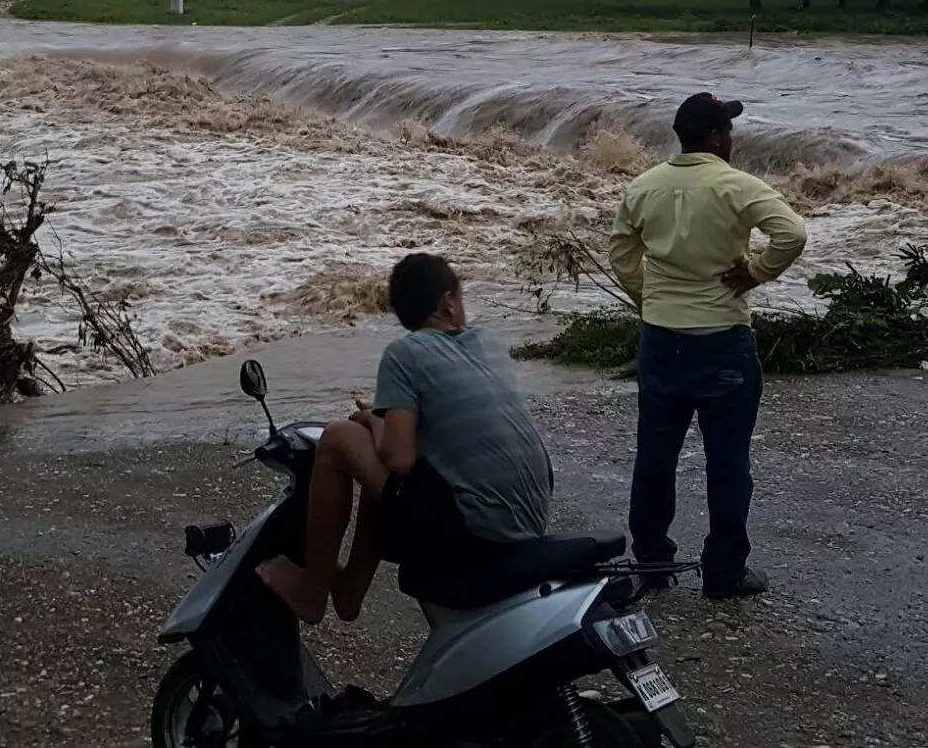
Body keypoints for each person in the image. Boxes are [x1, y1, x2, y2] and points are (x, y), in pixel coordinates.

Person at [256, 253, 552, 624]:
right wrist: (381, 420)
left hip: (479, 527)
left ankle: (312, 592)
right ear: (447, 301)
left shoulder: (403, 354)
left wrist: (373, 419)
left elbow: (397, 458)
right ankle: (348, 591)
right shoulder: (487, 342)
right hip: (532, 514)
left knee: (338, 438)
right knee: (376, 463)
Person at [609, 92, 807, 599]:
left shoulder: (644, 186)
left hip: (661, 338)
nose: (732, 139)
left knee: (655, 453)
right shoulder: (737, 186)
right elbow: (791, 234)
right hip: (722, 338)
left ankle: (652, 563)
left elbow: (622, 253)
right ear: (717, 136)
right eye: (729, 130)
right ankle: (724, 571)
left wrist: (649, 298)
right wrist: (756, 273)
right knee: (727, 458)